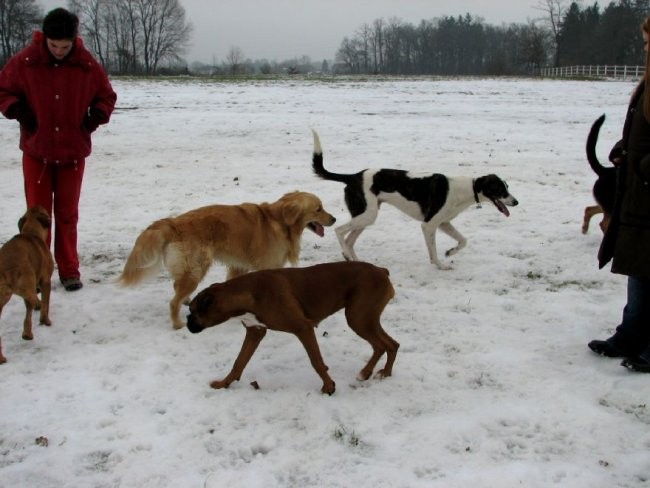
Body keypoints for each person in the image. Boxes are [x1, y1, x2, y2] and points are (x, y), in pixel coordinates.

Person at [0, 8, 117, 291]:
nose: (59, 51)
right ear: (44, 39)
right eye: (54, 46)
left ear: (74, 41)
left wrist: (95, 118)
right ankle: (39, 273)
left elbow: (106, 96)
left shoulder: (86, 65)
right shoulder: (25, 62)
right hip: (36, 151)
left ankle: (69, 269)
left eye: (65, 47)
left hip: (72, 153)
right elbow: (4, 90)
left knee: (67, 214)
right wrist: (18, 110)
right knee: (38, 216)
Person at [588, 16, 650, 372]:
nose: (644, 49)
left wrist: (641, 165)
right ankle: (630, 334)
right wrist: (623, 149)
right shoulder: (647, 83)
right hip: (640, 193)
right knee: (639, 266)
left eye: (647, 43)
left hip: (647, 186)